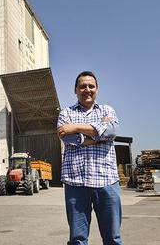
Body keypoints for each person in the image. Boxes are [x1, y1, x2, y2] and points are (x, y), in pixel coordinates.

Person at [57, 71, 122, 245]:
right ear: (75, 90)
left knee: (113, 238)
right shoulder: (66, 113)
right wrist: (99, 137)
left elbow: (112, 131)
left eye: (91, 86)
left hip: (106, 181)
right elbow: (67, 137)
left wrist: (76, 127)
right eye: (82, 86)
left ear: (97, 89)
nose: (87, 89)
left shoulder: (107, 110)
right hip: (76, 183)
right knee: (78, 239)